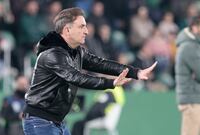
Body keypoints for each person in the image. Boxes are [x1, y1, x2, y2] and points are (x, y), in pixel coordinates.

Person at [22, 7, 157, 135]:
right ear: (67, 30)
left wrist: (135, 73)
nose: (86, 31)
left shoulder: (76, 52)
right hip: (40, 121)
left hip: (57, 121)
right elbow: (76, 78)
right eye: (82, 26)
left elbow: (100, 64)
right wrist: (111, 83)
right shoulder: (53, 54)